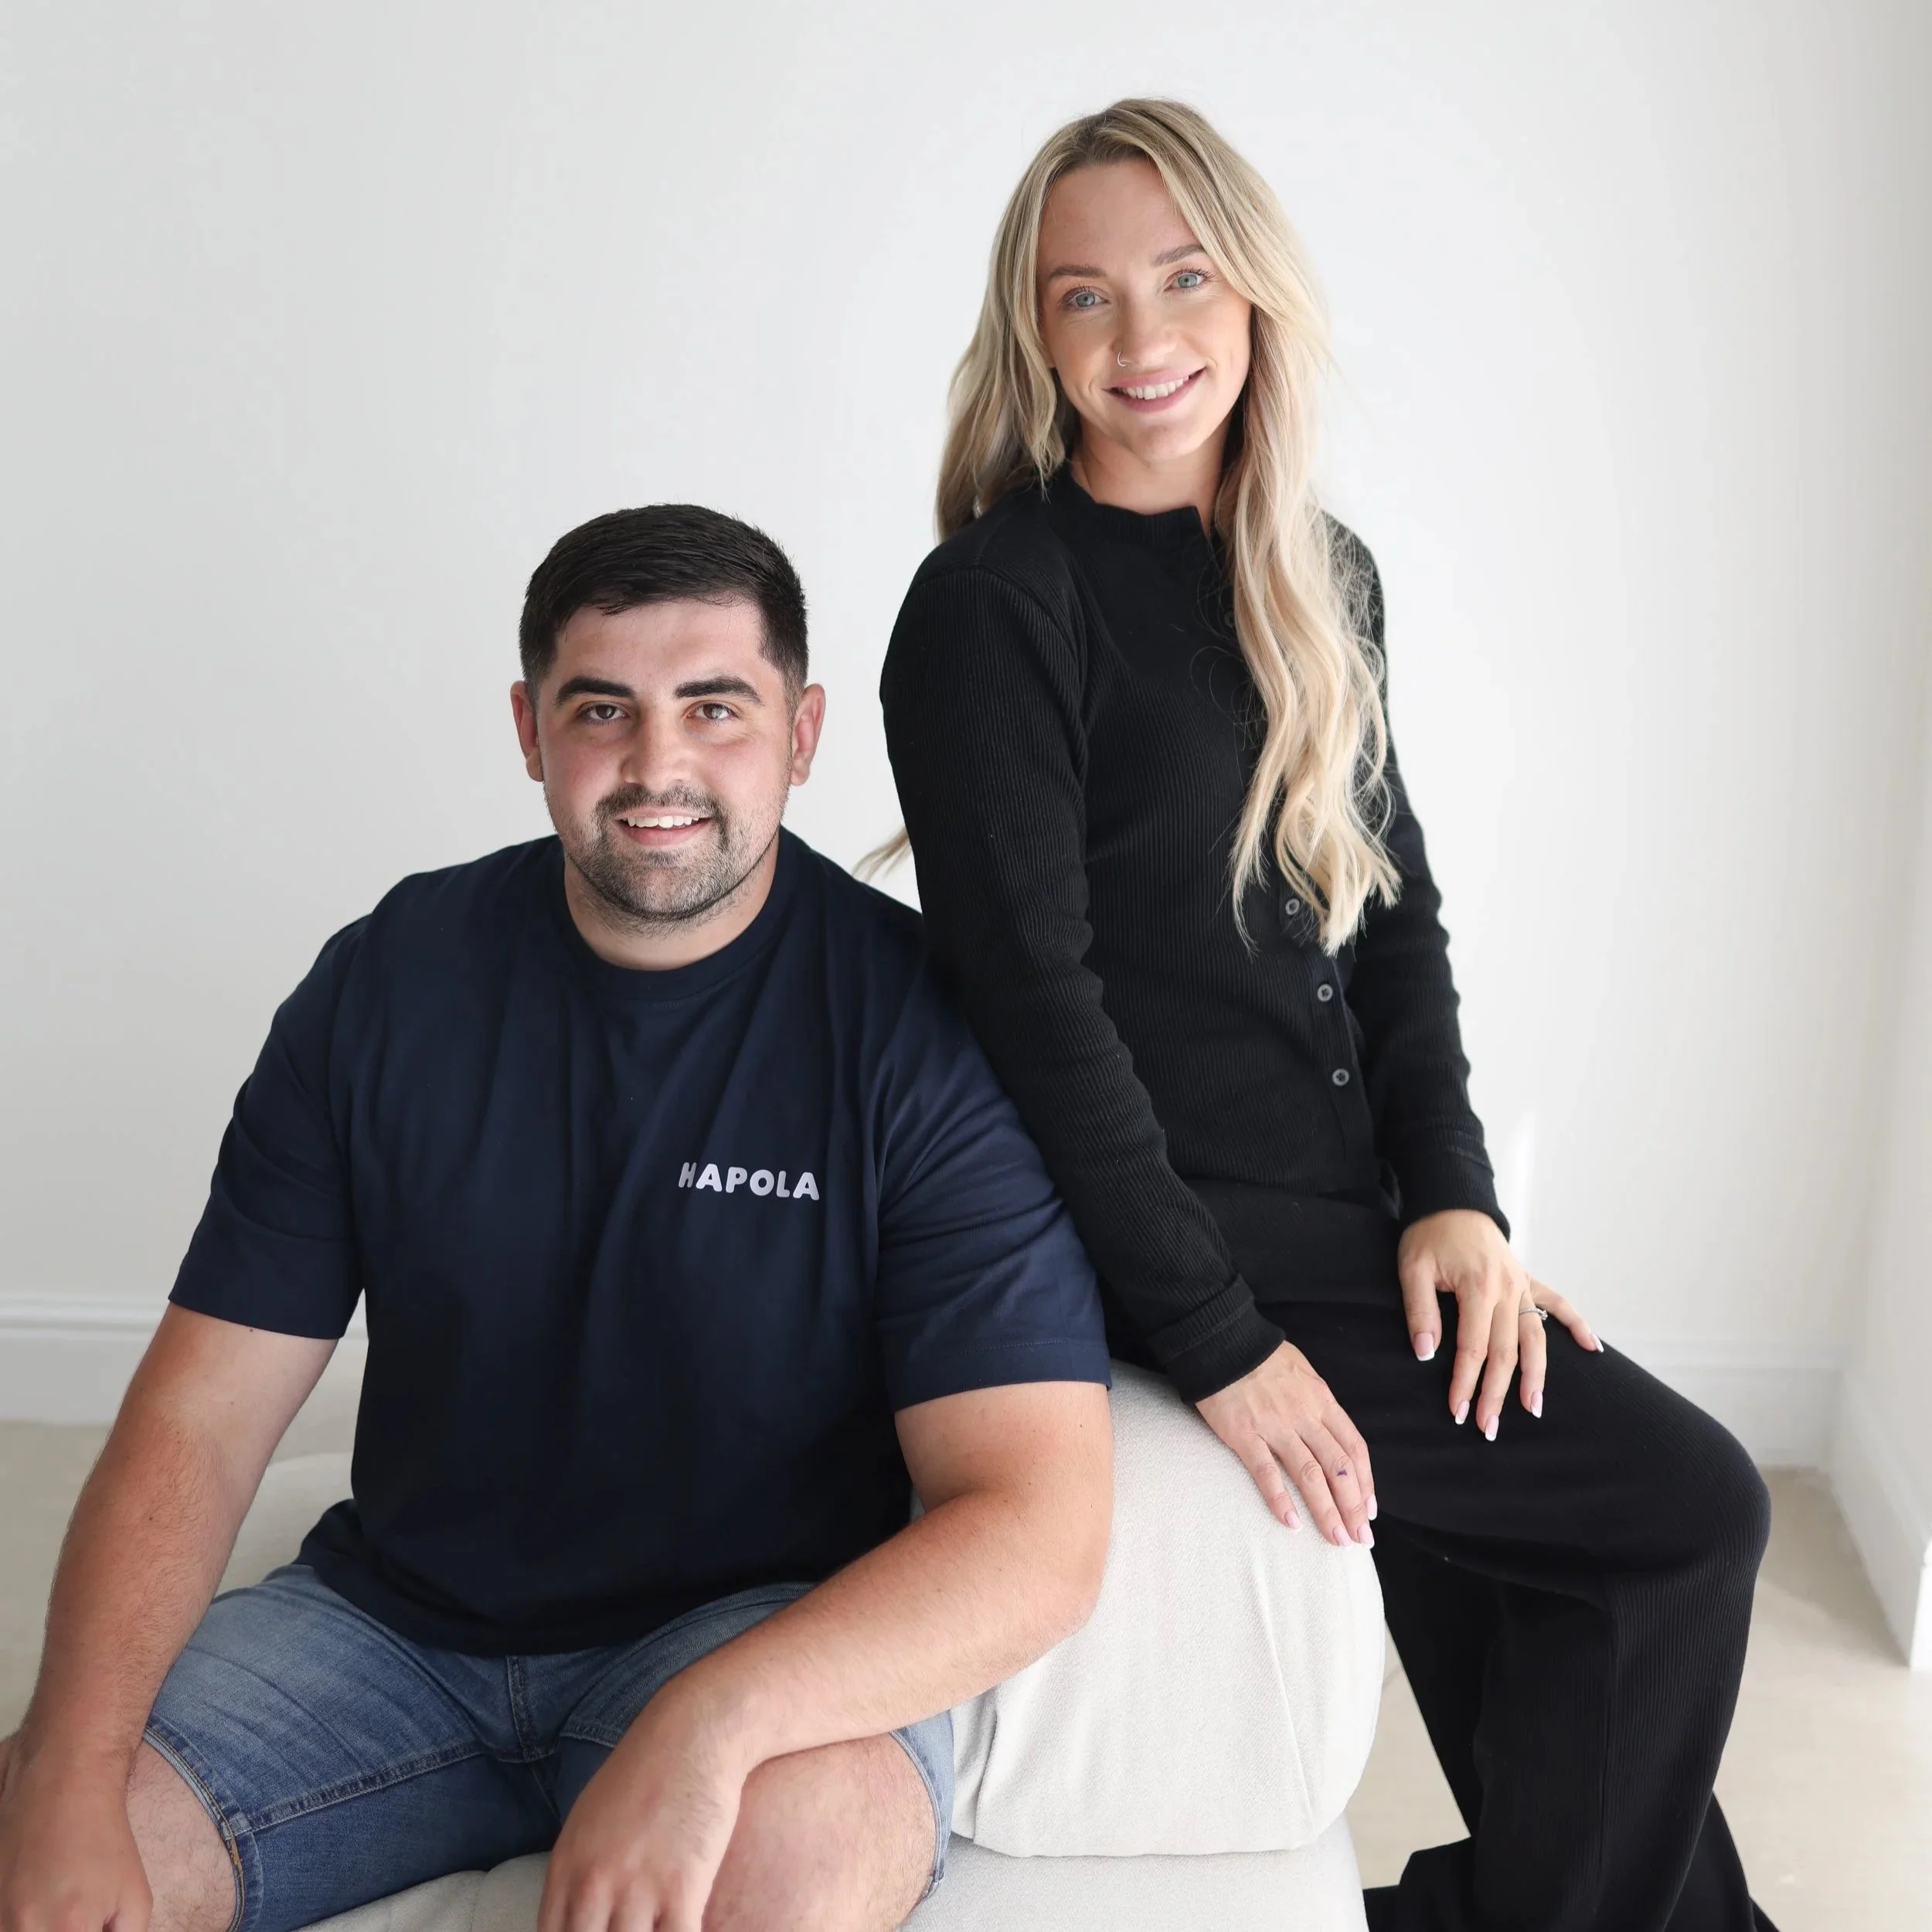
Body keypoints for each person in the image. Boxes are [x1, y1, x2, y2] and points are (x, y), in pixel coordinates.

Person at [877, 99, 1774, 1932]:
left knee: (1549, 1592)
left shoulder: (1315, 570)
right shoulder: (994, 602)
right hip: (1169, 1224)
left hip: (1343, 1206)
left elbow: (1389, 918)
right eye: (1082, 295)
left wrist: (1453, 1199)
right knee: (1690, 1507)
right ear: (1032, 331)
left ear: (1255, 293)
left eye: (1182, 277)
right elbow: (1033, 1006)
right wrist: (1217, 1334)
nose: (1141, 338)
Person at [0, 505, 1114, 1932]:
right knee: (50, 1847)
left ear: (803, 732)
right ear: (531, 731)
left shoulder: (922, 1031)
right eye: (603, 710)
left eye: (715, 708)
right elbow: (201, 1422)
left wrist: (708, 1727)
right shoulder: (385, 984)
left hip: (749, 1631)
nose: (658, 766)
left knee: (803, 1859)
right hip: (389, 1635)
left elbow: (1036, 1522)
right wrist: (68, 1771)